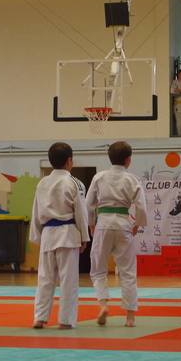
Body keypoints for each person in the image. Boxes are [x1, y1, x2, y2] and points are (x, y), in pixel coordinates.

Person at [29, 142, 89, 330]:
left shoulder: (42, 183)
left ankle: (39, 318)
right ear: (69, 161)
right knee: (68, 280)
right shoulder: (74, 183)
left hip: (47, 234)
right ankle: (65, 320)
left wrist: (37, 236)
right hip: (67, 234)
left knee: (45, 279)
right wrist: (84, 237)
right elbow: (81, 212)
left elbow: (36, 211)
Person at [87, 141, 146, 327]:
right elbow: (141, 206)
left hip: (103, 223)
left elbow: (88, 204)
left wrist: (91, 224)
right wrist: (138, 224)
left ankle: (103, 304)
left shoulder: (99, 177)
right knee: (128, 272)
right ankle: (130, 317)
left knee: (98, 269)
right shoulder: (133, 179)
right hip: (123, 223)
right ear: (128, 159)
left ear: (109, 157)